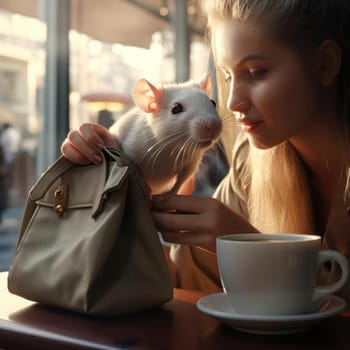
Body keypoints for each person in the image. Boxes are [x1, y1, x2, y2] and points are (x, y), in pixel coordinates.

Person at [61, 0, 350, 301]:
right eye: (227, 76)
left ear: (326, 63)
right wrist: (104, 181)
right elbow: (180, 279)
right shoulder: (249, 167)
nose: (232, 102)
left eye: (257, 72)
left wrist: (249, 246)